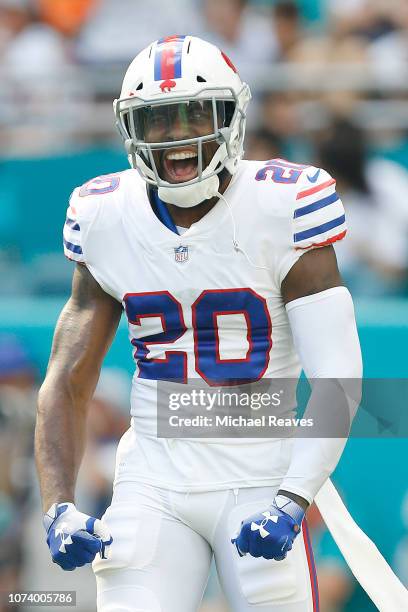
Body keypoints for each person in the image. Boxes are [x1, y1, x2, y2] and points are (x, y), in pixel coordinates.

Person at [35, 35, 362, 611]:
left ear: (232, 114)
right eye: (156, 120)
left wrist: (293, 500)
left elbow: (338, 379)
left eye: (194, 112)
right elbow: (67, 380)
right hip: (153, 483)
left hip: (263, 476)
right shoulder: (105, 215)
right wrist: (58, 505)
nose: (177, 135)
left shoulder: (283, 204)